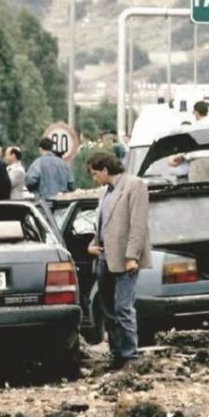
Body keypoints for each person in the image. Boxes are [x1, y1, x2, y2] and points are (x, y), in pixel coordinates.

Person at [85, 152, 152, 369]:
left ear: (105, 169)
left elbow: (138, 224)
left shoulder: (134, 185)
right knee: (108, 309)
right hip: (105, 257)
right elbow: (103, 224)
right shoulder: (105, 192)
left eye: (95, 174)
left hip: (125, 258)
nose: (94, 178)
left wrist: (132, 256)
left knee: (123, 307)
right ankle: (116, 354)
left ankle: (130, 356)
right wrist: (93, 244)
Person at [169, 101, 209, 182]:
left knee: (198, 186)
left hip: (199, 162)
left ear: (197, 112)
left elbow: (193, 148)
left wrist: (181, 157)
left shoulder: (197, 127)